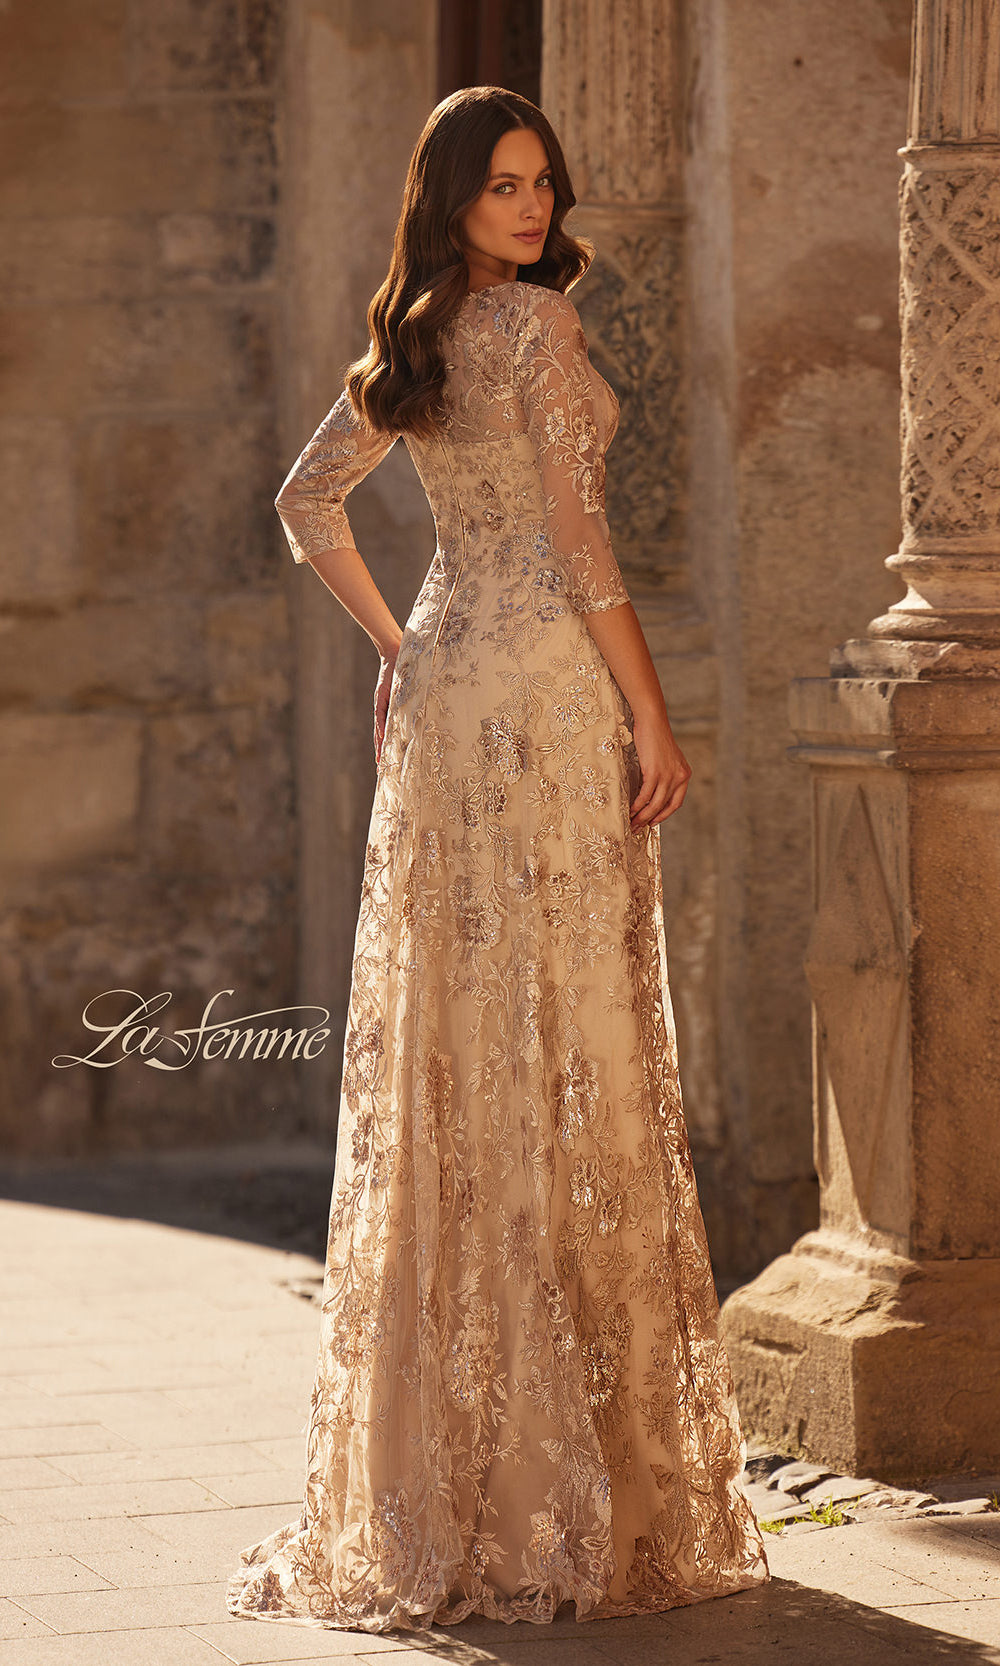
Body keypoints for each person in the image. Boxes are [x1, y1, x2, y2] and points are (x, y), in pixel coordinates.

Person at [226, 83, 768, 1636]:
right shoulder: (526, 332)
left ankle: (452, 1481)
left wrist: (404, 645)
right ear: (455, 196)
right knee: (565, 1043)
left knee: (468, 1054)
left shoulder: (409, 335)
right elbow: (588, 554)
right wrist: (654, 720)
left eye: (545, 183)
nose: (533, 208)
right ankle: (562, 1482)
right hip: (535, 698)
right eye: (505, 185)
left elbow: (304, 500)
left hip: (455, 690)